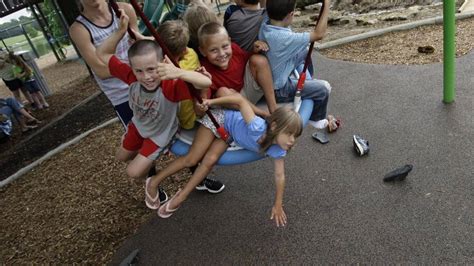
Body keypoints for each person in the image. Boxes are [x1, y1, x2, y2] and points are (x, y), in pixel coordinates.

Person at [95, 14, 212, 203]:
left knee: (132, 172)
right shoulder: (132, 78)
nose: (146, 77)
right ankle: (143, 158)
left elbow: (206, 81)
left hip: (159, 134)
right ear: (131, 69)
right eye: (139, 71)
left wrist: (179, 73)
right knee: (121, 157)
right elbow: (102, 54)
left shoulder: (171, 84)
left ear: (162, 64)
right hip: (138, 126)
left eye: (151, 69)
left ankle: (152, 176)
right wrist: (120, 31)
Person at [151, 93, 302, 227]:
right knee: (192, 159)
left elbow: (280, 175)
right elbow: (239, 100)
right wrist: (211, 102)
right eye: (289, 134)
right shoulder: (257, 126)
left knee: (210, 160)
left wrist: (278, 203)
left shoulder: (279, 149)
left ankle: (182, 196)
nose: (292, 140)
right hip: (220, 120)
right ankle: (154, 181)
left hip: (229, 135)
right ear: (274, 127)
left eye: (295, 136)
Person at [69, 0, 170, 201]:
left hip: (149, 84)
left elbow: (139, 41)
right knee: (139, 142)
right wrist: (137, 71)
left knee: (178, 123)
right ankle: (152, 182)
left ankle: (198, 177)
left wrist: (163, 47)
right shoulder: (79, 29)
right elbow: (99, 69)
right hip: (122, 95)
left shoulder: (124, 9)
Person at [258, 0, 340, 132]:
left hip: (276, 67)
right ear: (291, 15)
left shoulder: (266, 21)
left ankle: (308, 82)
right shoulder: (285, 38)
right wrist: (326, 6)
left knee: (305, 52)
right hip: (279, 89)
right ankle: (317, 119)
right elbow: (319, 34)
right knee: (324, 89)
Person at [198, 22, 277, 114]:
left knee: (259, 60)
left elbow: (249, 61)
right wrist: (203, 86)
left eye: (225, 46)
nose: (222, 54)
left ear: (230, 42)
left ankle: (274, 109)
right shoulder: (205, 70)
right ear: (202, 51)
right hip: (231, 105)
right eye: (213, 50)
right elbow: (203, 104)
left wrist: (255, 50)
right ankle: (263, 114)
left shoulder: (235, 49)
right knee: (222, 92)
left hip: (246, 92)